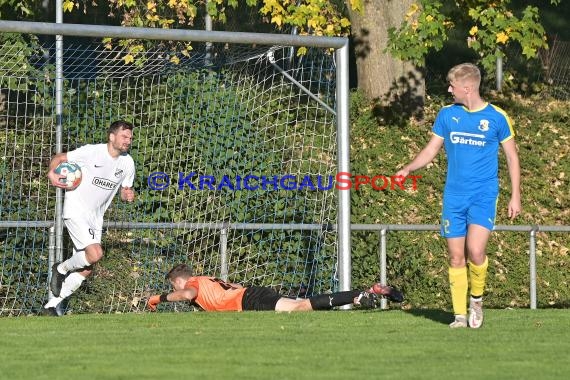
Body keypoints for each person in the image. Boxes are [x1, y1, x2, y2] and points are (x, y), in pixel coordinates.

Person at [395, 63, 521, 328]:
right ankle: (459, 316)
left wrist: (515, 195)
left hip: (484, 195)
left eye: (452, 86)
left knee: (475, 251)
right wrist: (408, 168)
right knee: (455, 257)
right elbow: (431, 150)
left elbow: (511, 157)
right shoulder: (446, 115)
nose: (449, 89)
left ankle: (476, 299)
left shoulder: (497, 117)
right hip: (454, 196)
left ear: (467, 88)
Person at [43, 120, 136, 314]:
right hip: (76, 210)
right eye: (124, 136)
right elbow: (60, 157)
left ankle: (51, 306)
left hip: (95, 218)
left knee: (87, 266)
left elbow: (125, 189)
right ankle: (60, 269)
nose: (128, 140)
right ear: (112, 137)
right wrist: (51, 173)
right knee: (95, 254)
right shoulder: (91, 152)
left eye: (130, 137)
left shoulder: (128, 162)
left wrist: (127, 194)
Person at [147, 263, 404, 312]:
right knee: (305, 303)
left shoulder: (192, 285)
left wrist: (157, 298)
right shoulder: (207, 278)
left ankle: (360, 295)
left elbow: (187, 293)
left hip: (250, 300)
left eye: (173, 286)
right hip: (251, 294)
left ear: (178, 280)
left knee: (299, 308)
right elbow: (233, 285)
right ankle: (364, 294)